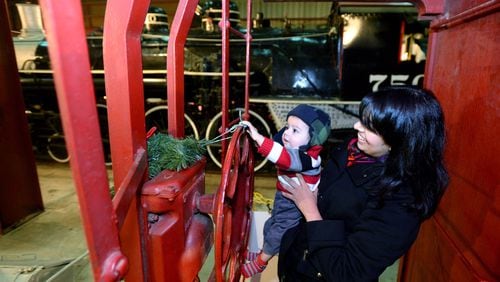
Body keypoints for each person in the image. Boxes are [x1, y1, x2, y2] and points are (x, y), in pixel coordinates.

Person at [277, 86, 449, 281]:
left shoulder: (401, 199)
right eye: (362, 119)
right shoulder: (354, 148)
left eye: (370, 126)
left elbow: (349, 272)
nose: (357, 127)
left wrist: (310, 210)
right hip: (299, 261)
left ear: (399, 138)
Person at [240, 104, 331, 278]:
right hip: (284, 196)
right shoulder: (297, 147)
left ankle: (261, 262)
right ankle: (263, 252)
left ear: (313, 139)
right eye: (287, 127)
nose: (287, 133)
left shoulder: (308, 159)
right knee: (270, 224)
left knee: (278, 232)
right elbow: (278, 141)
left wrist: (258, 137)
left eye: (295, 130)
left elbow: (284, 158)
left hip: (294, 205)